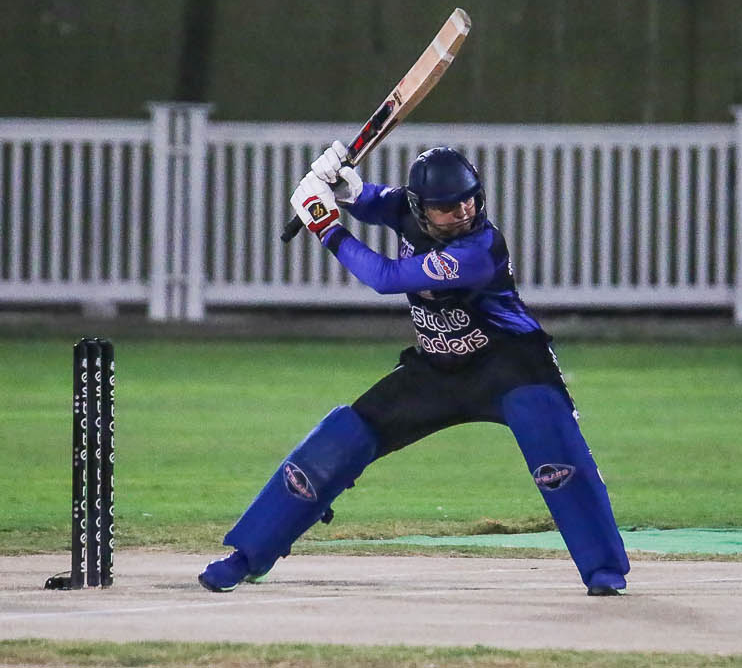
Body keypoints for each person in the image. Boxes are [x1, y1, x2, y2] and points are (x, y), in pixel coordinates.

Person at [200, 144, 630, 596]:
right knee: (342, 437)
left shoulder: (480, 248)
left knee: (555, 450)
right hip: (436, 368)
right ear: (421, 208)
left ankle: (603, 569)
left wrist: (325, 224)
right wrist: (345, 188)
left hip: (510, 365)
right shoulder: (408, 208)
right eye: (446, 207)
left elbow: (386, 278)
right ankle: (248, 555)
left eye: (469, 200)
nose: (462, 212)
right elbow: (376, 202)